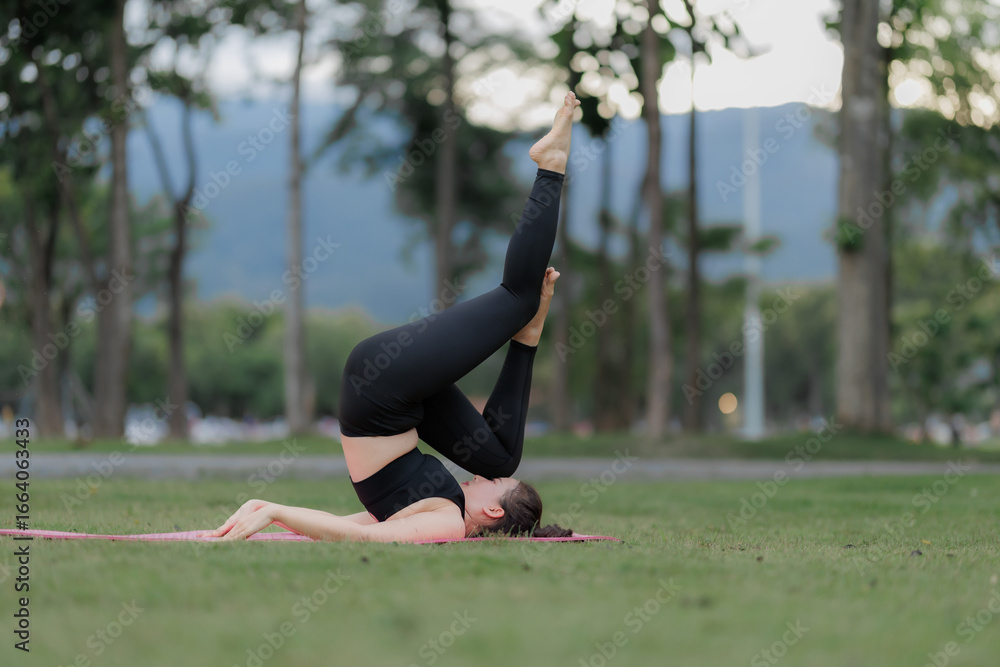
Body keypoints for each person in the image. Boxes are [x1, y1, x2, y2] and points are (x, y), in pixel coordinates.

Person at [204, 91, 581, 542]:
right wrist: (273, 515)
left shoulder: (446, 521)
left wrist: (270, 509)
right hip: (396, 400)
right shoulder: (443, 507)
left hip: (383, 392)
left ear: (493, 512)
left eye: (491, 487)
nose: (479, 479)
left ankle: (552, 166)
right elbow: (341, 525)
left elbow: (361, 538)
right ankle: (529, 333)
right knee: (503, 457)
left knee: (519, 297)